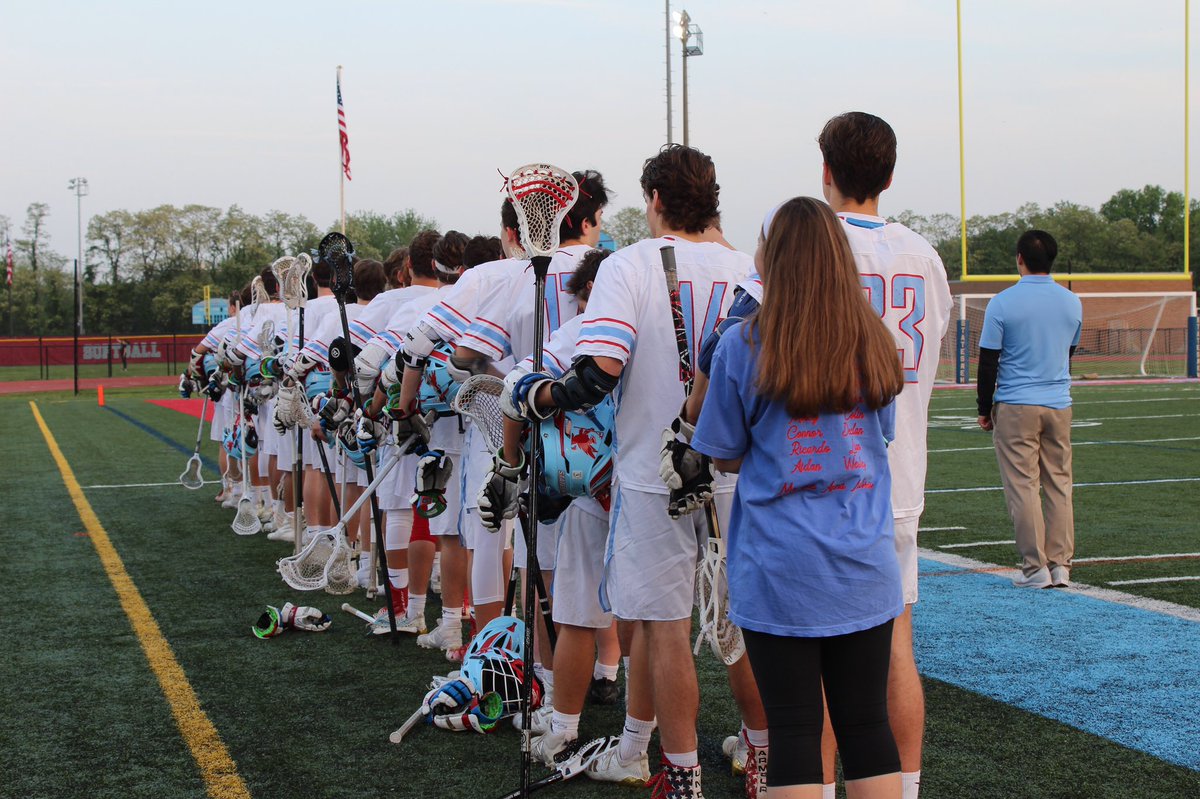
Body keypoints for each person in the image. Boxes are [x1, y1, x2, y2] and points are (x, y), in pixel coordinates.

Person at [512, 145, 761, 797]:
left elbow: (599, 372)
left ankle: (680, 771)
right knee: (741, 620)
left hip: (655, 471)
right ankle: (762, 756)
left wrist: (538, 396)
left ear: (654, 200)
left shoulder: (629, 265)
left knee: (662, 625)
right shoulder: (749, 267)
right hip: (737, 469)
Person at [692, 196, 905, 799]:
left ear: (772, 259)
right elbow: (878, 434)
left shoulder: (742, 345)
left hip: (779, 564)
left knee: (793, 730)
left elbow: (723, 451)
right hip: (862, 559)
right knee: (866, 724)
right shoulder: (874, 341)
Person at [820, 111, 952, 799]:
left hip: (821, 476)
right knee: (897, 640)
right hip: (899, 475)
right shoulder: (924, 256)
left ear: (825, 170)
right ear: (890, 175)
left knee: (814, 658)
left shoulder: (810, 247)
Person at [976, 229, 1082, 589]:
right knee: (1059, 484)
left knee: (1023, 486)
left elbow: (988, 361)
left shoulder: (1002, 302)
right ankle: (1061, 565)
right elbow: (1068, 353)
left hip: (1017, 403)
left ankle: (1035, 568)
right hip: (1058, 403)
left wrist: (984, 407)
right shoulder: (1072, 302)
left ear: (1019, 258)